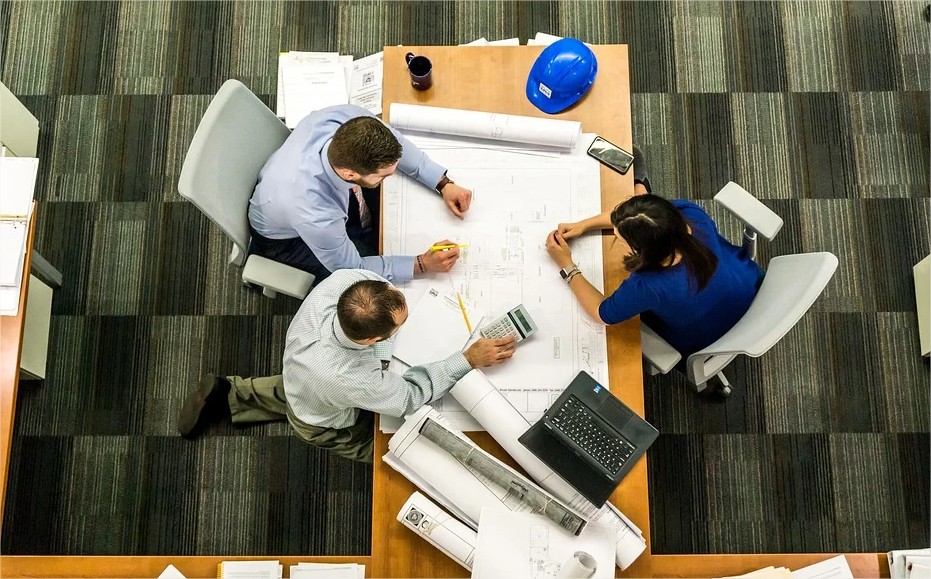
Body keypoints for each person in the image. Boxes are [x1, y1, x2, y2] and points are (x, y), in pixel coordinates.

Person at [178, 269, 516, 462]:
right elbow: (409, 397)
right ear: (372, 340)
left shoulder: (345, 283)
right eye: (399, 326)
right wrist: (467, 359)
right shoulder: (349, 377)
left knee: (297, 389)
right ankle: (393, 458)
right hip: (324, 419)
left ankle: (230, 393)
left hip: (302, 373)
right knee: (391, 449)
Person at [543, 151, 762, 397]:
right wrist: (584, 224)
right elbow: (640, 216)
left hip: (708, 337)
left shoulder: (649, 285)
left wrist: (567, 265)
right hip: (751, 288)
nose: (617, 238)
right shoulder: (689, 215)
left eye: (620, 238)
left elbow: (602, 313)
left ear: (640, 250)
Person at [248, 104, 474, 285]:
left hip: (288, 187)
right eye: (384, 175)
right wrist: (421, 264)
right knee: (368, 286)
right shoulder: (315, 212)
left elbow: (398, 143)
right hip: (286, 240)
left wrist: (443, 183)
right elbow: (352, 268)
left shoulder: (348, 119)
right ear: (350, 174)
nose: (392, 176)